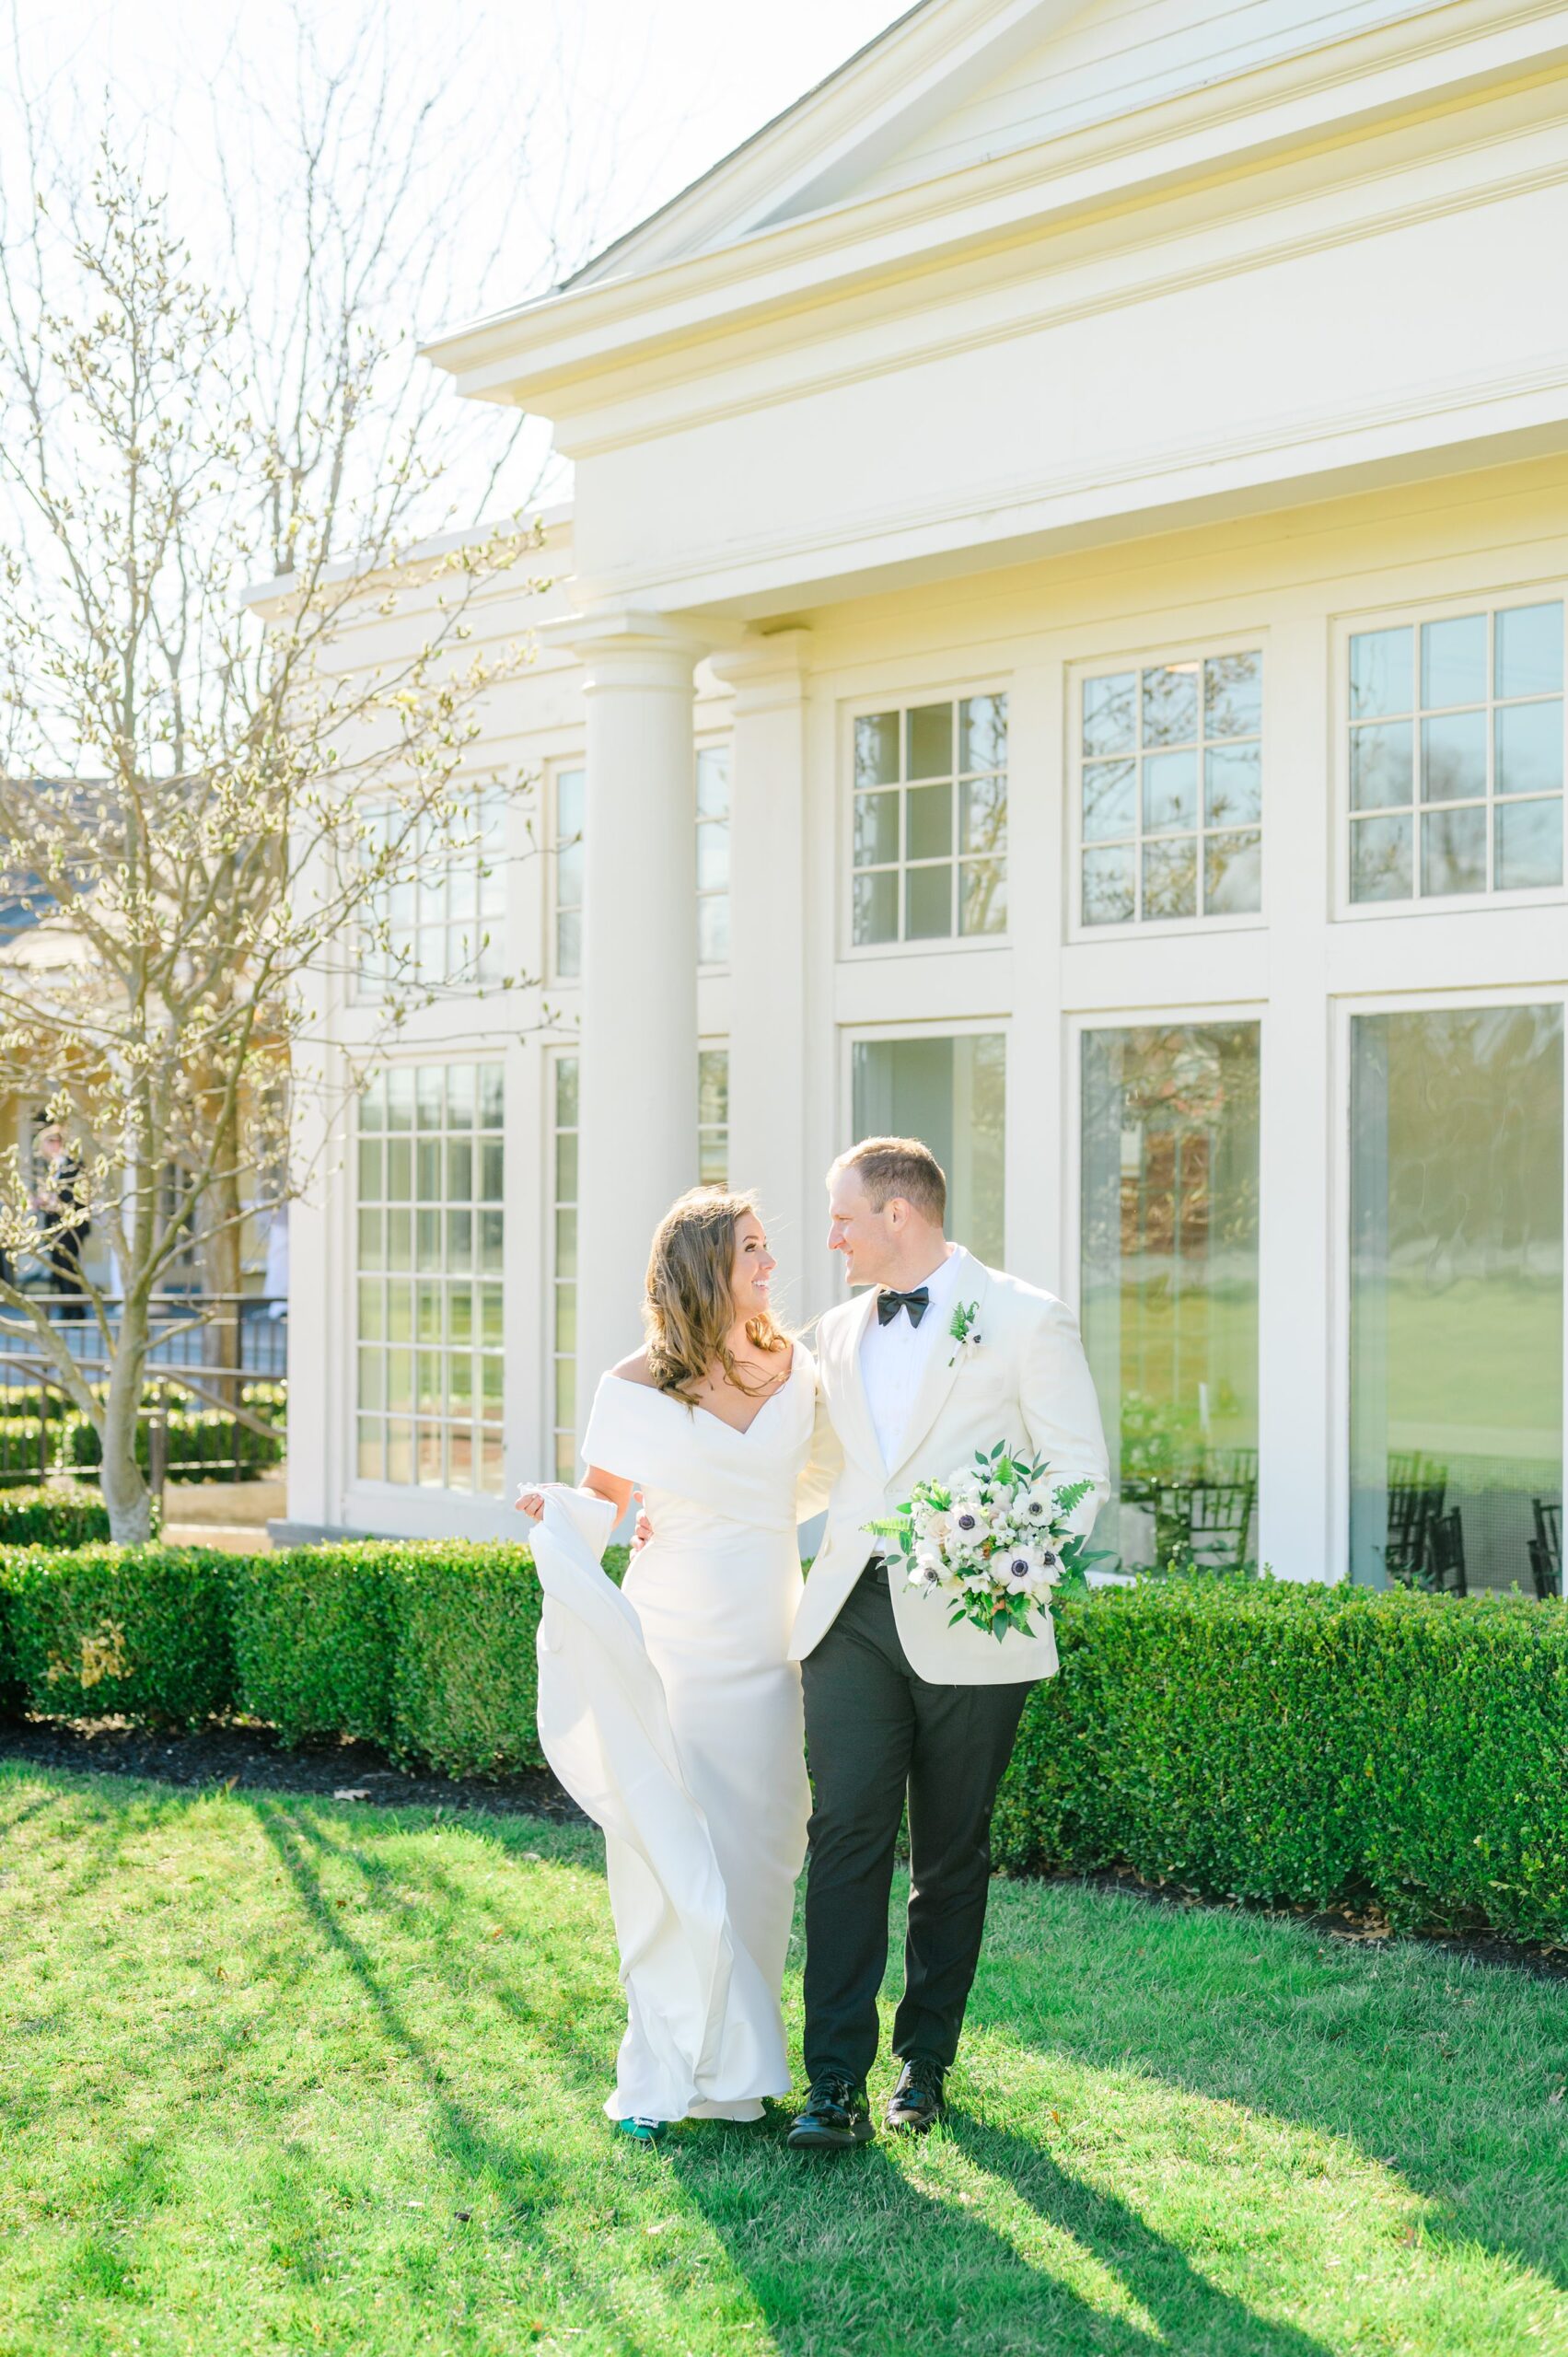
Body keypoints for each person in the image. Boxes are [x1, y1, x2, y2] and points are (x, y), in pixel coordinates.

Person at [783, 1135, 1109, 2151]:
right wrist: (695, 1509)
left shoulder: (1024, 1317)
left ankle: (923, 2067)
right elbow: (817, 1473)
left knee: (948, 1853)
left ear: (896, 1215)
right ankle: (832, 2078)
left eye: (842, 1216)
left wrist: (994, 1553)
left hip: (974, 1623)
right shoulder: (835, 1331)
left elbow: (1076, 1474)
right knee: (842, 1837)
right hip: (849, 1615)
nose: (829, 1235)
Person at [515, 1187, 837, 2144]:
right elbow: (603, 1504)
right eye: (752, 1249)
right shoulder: (632, 1385)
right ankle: (664, 2059)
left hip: (764, 1645)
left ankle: (737, 2073)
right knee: (672, 1854)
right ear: (704, 1265)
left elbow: (818, 1475)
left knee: (761, 1850)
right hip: (675, 1643)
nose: (770, 1266)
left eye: (768, 1249)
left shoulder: (797, 1367)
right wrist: (558, 1515)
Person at [33, 1123, 90, 1319]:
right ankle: (67, 1309)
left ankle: (75, 1310)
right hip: (54, 1226)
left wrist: (52, 1201)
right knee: (58, 1268)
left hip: (71, 1227)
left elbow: (75, 1197)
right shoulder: (53, 1167)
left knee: (69, 1267)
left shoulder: (73, 1165)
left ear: (56, 1142)